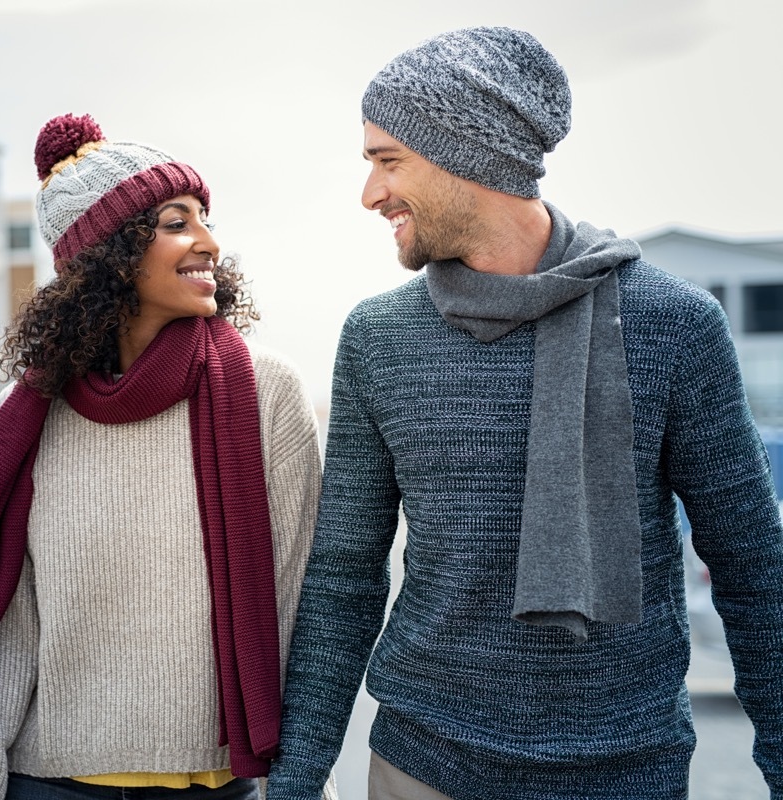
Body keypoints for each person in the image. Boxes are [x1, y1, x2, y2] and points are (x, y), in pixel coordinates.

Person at [266, 26, 783, 800]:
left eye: (387, 160)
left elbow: (752, 568)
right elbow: (343, 580)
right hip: (423, 763)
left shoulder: (672, 324)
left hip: (627, 770)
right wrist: (296, 782)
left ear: (466, 158)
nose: (370, 193)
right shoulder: (379, 338)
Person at [0, 113, 329, 800]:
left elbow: (303, 610)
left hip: (221, 785)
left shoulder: (266, 392)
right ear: (109, 255)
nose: (209, 241)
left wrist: (310, 788)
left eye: (204, 217)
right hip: (50, 783)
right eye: (176, 222)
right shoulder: (26, 416)